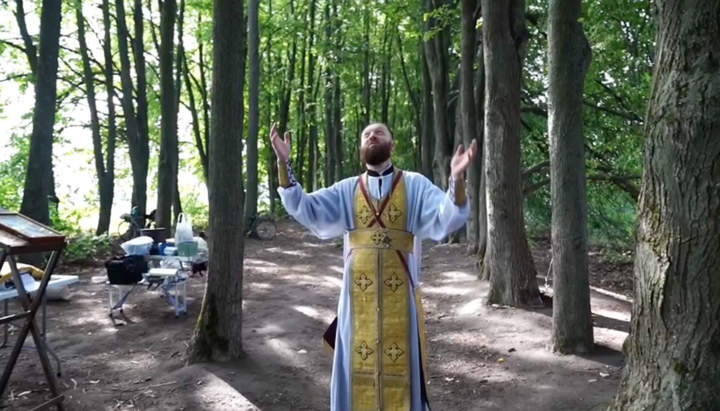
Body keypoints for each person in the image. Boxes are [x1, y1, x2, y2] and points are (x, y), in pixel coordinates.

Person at [271, 122, 477, 411]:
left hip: (401, 306)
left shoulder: (414, 185)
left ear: (392, 145)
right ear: (360, 149)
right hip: (357, 304)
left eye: (379, 132)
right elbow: (306, 208)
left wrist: (456, 180)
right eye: (366, 134)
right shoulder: (347, 190)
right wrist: (283, 162)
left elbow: (447, 217)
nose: (372, 136)